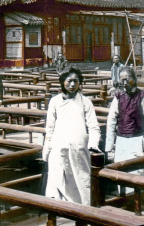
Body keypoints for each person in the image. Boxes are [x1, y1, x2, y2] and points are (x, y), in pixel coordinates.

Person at [42, 66, 100, 205]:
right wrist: (47, 149)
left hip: (78, 148)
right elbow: (49, 128)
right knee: (58, 181)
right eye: (69, 81)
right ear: (62, 82)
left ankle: (82, 214)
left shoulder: (85, 102)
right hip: (58, 148)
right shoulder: (55, 101)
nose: (72, 84)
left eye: (76, 81)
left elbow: (93, 127)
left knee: (80, 181)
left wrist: (93, 144)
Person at [105, 66, 144, 191]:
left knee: (137, 172)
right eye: (122, 80)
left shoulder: (143, 96)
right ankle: (125, 199)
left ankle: (138, 200)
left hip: (137, 140)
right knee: (121, 171)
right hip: (122, 140)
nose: (125, 83)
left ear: (134, 78)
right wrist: (109, 146)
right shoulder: (118, 97)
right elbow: (111, 121)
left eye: (127, 79)